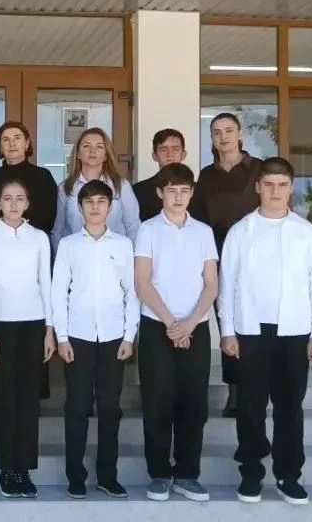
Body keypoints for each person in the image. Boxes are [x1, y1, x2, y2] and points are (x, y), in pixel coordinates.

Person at [219, 157, 312, 506]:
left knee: (289, 407)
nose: (275, 192)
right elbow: (227, 285)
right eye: (269, 185)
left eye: (282, 185)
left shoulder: (305, 232)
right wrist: (227, 331)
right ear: (258, 187)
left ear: (291, 188)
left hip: (294, 331)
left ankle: (288, 474)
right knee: (250, 406)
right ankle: (251, 473)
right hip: (250, 331)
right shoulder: (241, 232)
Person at [132, 163, 218, 502]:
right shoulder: (148, 230)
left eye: (184, 191)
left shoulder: (203, 232)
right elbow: (142, 282)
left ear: (192, 193)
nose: (178, 197)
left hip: (196, 327)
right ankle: (158, 473)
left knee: (194, 403)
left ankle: (187, 474)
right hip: (158, 327)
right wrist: (171, 323)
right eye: (171, 191)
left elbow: (211, 283)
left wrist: (190, 322)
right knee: (157, 402)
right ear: (160, 193)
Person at [51, 179, 137, 500]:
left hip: (114, 337)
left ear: (110, 207)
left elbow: (132, 293)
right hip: (78, 336)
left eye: (102, 201)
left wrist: (129, 335)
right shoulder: (69, 245)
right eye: (89, 202)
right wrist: (61, 337)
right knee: (76, 407)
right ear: (80, 207)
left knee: (110, 408)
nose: (96, 207)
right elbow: (58, 292)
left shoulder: (123, 245)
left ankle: (107, 476)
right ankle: (75, 476)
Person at [0, 178, 54, 498]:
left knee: (28, 400)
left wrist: (50, 329)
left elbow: (45, 282)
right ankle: (7, 469)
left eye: (19, 198)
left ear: (27, 203)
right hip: (0, 326)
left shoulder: (39, 238)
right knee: (6, 400)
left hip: (34, 325)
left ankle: (24, 469)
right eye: (7, 198)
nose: (13, 204)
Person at [193, 112, 262, 418]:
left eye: (229, 130)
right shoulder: (207, 176)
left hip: (255, 254)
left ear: (241, 134)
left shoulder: (259, 169)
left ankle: (255, 390)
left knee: (254, 321)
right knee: (227, 321)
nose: (223, 137)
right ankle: (235, 392)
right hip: (219, 253)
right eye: (217, 132)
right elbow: (198, 219)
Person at [52, 128, 140, 246]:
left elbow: (133, 226)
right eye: (86, 146)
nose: (92, 151)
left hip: (115, 253)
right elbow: (58, 231)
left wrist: (132, 255)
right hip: (77, 252)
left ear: (105, 155)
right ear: (78, 154)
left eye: (99, 147)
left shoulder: (121, 186)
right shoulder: (65, 188)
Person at [0, 122, 58, 239]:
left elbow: (47, 218)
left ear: (27, 143)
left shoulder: (43, 176)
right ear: (0, 147)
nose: (12, 144)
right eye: (6, 140)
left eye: (17, 138)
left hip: (33, 242)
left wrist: (21, 234)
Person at [132, 129, 188, 222]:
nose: (170, 154)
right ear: (154, 156)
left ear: (183, 154)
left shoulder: (198, 190)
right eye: (163, 150)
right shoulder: (138, 191)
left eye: (175, 149)